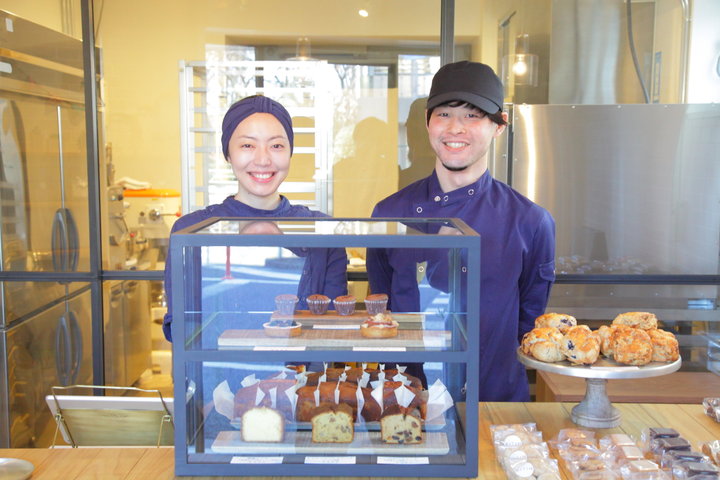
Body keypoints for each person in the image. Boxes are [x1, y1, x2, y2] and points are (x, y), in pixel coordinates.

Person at [366, 61, 556, 401]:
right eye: (444, 114)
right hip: (407, 409)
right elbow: (381, 312)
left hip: (496, 406)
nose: (456, 128)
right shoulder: (388, 215)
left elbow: (528, 328)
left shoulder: (530, 222)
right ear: (427, 122)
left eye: (473, 115)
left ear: (499, 125)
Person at [163, 95, 348, 342]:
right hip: (220, 377)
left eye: (277, 146)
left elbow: (331, 329)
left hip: (299, 376)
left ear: (290, 152)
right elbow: (183, 330)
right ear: (228, 153)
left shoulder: (323, 231)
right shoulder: (190, 230)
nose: (263, 160)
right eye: (248, 145)